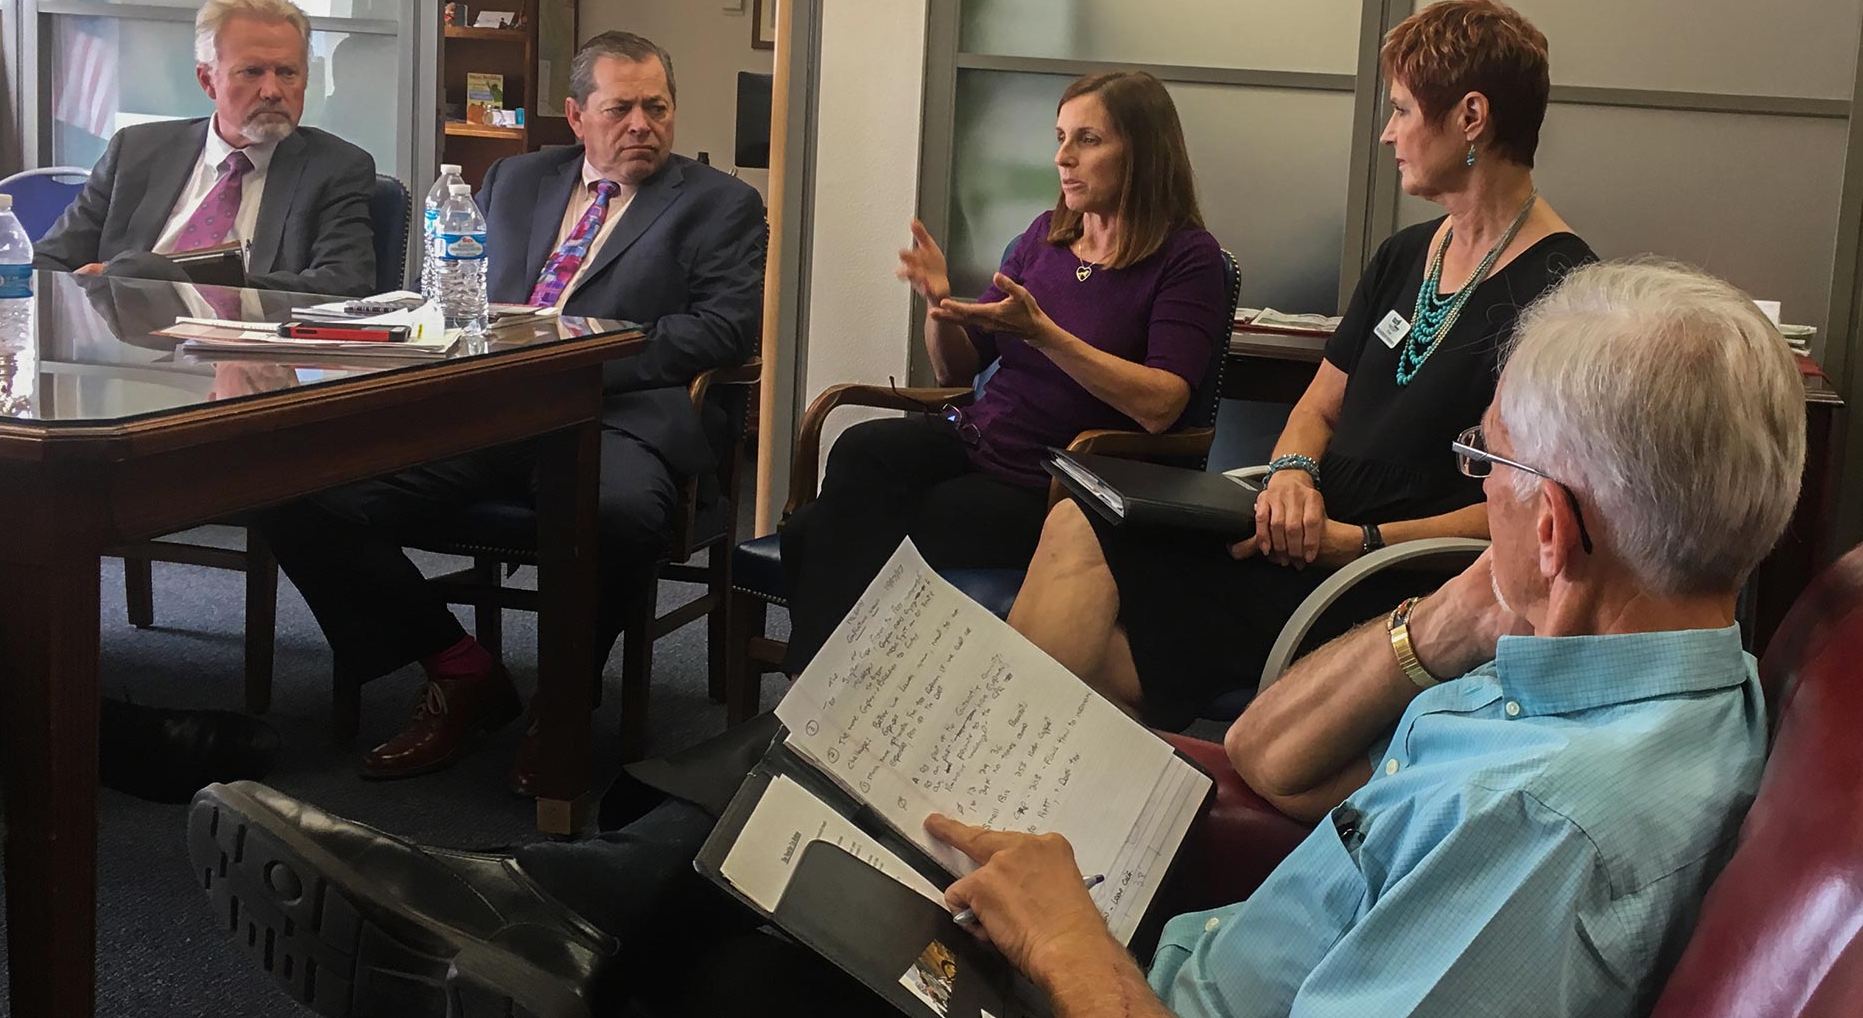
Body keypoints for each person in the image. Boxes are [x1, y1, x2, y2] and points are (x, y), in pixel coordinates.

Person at [186, 258, 1805, 1017]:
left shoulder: (1565, 833)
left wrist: (1076, 947)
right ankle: (507, 916)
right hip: (1173, 951)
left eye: (1489, 464)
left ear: (1565, 525)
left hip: (1132, 991)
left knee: (769, 974)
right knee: (825, 763)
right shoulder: (1627, 665)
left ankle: (507, 948)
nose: (1474, 486)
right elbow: (1257, 756)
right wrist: (1455, 610)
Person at [1009, 0, 1596, 728]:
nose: (1387, 134)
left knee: (1088, 654)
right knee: (1080, 522)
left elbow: (1537, 512)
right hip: (1303, 534)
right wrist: (1291, 474)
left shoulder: (1563, 292)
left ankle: (1004, 776)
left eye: (1404, 110)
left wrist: (1359, 542)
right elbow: (1318, 408)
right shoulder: (1406, 255)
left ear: (1471, 118)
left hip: (1395, 573)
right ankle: (1029, 774)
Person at [256, 31, 764, 789]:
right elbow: (454, 294)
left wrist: (578, 356)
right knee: (299, 488)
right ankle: (463, 672)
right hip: (489, 407)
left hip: (618, 410)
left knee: (617, 514)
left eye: (657, 108)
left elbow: (725, 329)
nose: (642, 125)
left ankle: (561, 704)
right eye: (620, 108)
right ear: (576, 116)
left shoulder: (720, 203)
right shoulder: (516, 180)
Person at [781, 69, 1230, 669]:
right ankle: (838, 689)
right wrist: (940, 306)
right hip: (976, 439)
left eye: (1087, 140)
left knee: (819, 530)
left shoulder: (1187, 258)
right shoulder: (1044, 237)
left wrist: (1047, 336)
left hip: (1056, 478)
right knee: (862, 448)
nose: (1062, 157)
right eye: (1060, 137)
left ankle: (817, 692)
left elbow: (1162, 404)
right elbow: (957, 370)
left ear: (1143, 150)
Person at [35, 0, 377, 298]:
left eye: (287, 72)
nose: (273, 91)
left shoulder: (335, 167)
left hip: (248, 352)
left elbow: (343, 284)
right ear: (207, 80)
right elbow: (51, 259)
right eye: (252, 71)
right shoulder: (136, 150)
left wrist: (172, 280)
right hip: (127, 348)